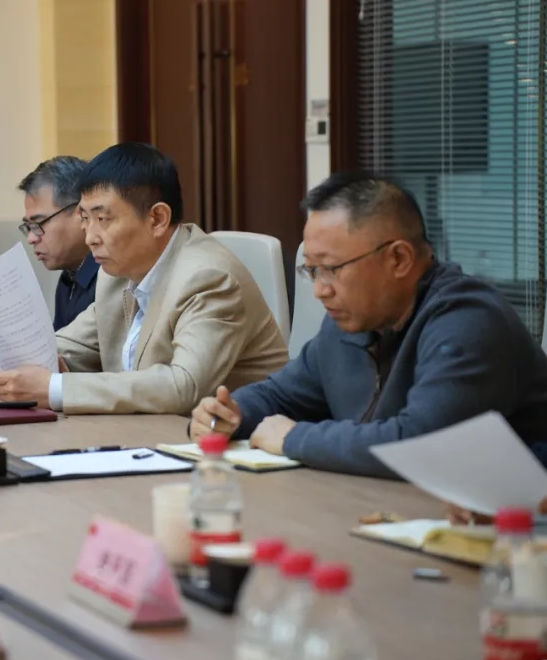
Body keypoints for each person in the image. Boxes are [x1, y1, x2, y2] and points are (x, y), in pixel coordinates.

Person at [190, 171, 547, 478]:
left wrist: (294, 438)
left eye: (331, 269)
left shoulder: (467, 321)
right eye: (311, 270)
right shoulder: (350, 323)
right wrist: (232, 413)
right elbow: (279, 395)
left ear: (399, 258)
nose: (319, 290)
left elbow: (421, 444)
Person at [0, 142, 288, 415]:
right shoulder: (116, 274)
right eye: (85, 219)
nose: (90, 237)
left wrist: (54, 388)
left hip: (236, 443)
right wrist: (22, 364)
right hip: (150, 436)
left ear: (157, 219)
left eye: (103, 219)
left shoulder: (209, 278)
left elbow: (184, 386)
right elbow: (68, 346)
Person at [18, 156, 98, 330]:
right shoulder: (68, 277)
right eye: (28, 227)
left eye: (38, 223)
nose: (31, 238)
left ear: (81, 213)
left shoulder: (111, 276)